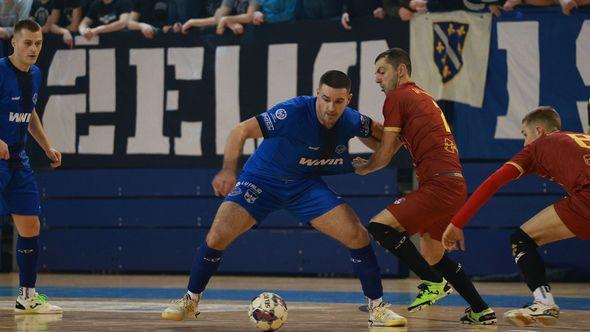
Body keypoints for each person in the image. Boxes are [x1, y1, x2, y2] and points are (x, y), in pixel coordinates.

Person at [161, 70, 407, 327]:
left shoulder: (353, 120)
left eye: (338, 101)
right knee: (217, 236)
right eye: (325, 99)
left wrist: (387, 150)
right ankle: (190, 300)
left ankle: (377, 308)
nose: (330, 107)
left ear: (348, 99)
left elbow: (387, 141)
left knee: (357, 234)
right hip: (261, 180)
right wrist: (227, 169)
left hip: (304, 186)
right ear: (317, 95)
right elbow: (240, 130)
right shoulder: (292, 112)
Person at [353, 48, 496, 325]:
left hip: (438, 185)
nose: (377, 79)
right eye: (375, 73)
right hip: (454, 184)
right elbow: (391, 146)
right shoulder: (421, 97)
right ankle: (480, 309)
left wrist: (364, 168)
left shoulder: (397, 97)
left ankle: (433, 282)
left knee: (379, 226)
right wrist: (368, 135)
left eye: (382, 71)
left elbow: (383, 157)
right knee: (432, 252)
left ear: (401, 70)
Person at [442, 107, 590, 327]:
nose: (523, 143)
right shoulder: (581, 138)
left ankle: (544, 302)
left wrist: (457, 223)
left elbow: (491, 184)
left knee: (522, 239)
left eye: (524, 135)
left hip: (586, 197)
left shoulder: (538, 146)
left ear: (539, 131)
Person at [0, 19, 62, 314]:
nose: (34, 48)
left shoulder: (34, 73)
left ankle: (27, 296)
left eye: (38, 43)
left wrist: (46, 145)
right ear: (13, 42)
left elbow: (29, 110)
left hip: (18, 160)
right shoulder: (0, 71)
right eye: (27, 43)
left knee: (30, 225)